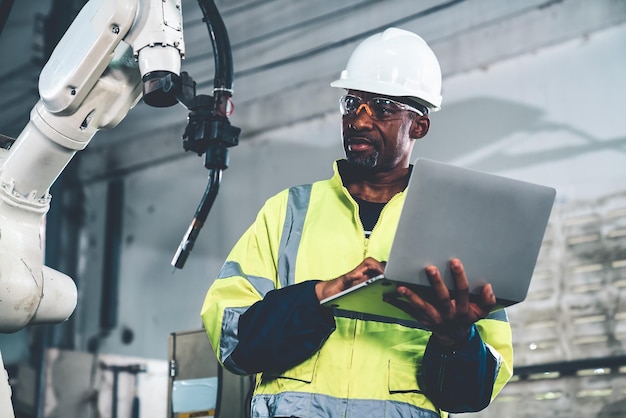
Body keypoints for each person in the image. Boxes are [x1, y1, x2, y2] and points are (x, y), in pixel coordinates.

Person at [201, 27, 513, 418]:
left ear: (419, 126)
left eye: (381, 107)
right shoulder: (288, 211)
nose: (359, 120)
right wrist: (321, 295)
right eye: (351, 103)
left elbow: (472, 393)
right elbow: (233, 340)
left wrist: (456, 340)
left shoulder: (454, 225)